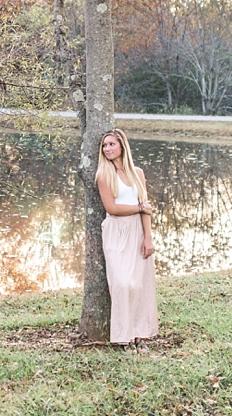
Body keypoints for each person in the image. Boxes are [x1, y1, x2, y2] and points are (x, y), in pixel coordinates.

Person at [95, 128, 159, 346]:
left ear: (122, 145)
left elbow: (147, 210)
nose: (107, 149)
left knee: (139, 285)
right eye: (104, 145)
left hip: (138, 231)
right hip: (116, 232)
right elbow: (111, 208)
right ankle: (124, 336)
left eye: (111, 144)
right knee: (122, 284)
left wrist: (148, 238)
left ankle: (139, 334)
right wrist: (139, 207)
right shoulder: (104, 174)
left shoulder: (137, 173)